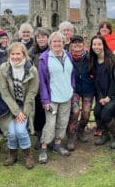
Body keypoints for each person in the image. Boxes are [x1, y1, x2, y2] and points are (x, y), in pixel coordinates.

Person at [0, 42, 39, 169]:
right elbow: (4, 93)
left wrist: (24, 112)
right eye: (13, 54)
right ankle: (13, 155)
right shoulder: (4, 69)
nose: (15, 56)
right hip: (9, 105)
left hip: (25, 105)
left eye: (18, 53)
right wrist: (17, 112)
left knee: (21, 131)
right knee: (11, 132)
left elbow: (32, 93)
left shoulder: (32, 70)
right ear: (9, 55)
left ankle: (28, 155)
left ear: (24, 54)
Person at [38, 31, 75, 164]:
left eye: (60, 41)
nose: (57, 44)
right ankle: (43, 148)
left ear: (63, 42)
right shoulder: (44, 58)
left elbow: (71, 75)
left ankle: (57, 145)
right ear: (50, 43)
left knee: (63, 122)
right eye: (54, 41)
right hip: (52, 99)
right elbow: (41, 82)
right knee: (50, 124)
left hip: (66, 97)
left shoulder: (68, 55)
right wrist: (45, 100)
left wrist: (72, 89)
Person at [89, 35, 115, 149]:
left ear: (104, 45)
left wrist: (109, 97)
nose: (97, 47)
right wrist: (101, 97)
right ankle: (105, 134)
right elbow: (96, 82)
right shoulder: (94, 61)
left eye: (99, 44)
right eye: (94, 44)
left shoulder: (113, 59)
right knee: (97, 111)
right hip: (104, 94)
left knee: (106, 113)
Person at [66, 35, 95, 151]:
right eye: (74, 43)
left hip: (88, 89)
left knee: (86, 114)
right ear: (71, 45)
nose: (77, 45)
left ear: (83, 45)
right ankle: (71, 135)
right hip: (75, 90)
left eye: (79, 43)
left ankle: (80, 130)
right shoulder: (67, 58)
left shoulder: (89, 57)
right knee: (75, 112)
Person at [28, 27, 50, 150]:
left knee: (50, 113)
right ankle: (40, 136)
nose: (41, 39)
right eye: (38, 37)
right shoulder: (32, 51)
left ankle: (49, 137)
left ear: (48, 38)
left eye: (43, 36)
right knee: (39, 113)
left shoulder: (52, 50)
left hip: (50, 86)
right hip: (37, 86)